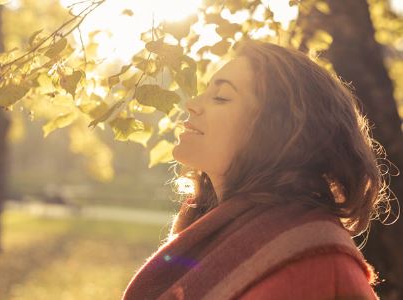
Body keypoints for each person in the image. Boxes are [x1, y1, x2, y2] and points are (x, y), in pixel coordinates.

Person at [122, 40, 392, 299]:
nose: (191, 104)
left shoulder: (312, 260)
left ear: (278, 130)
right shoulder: (208, 234)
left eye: (221, 97)